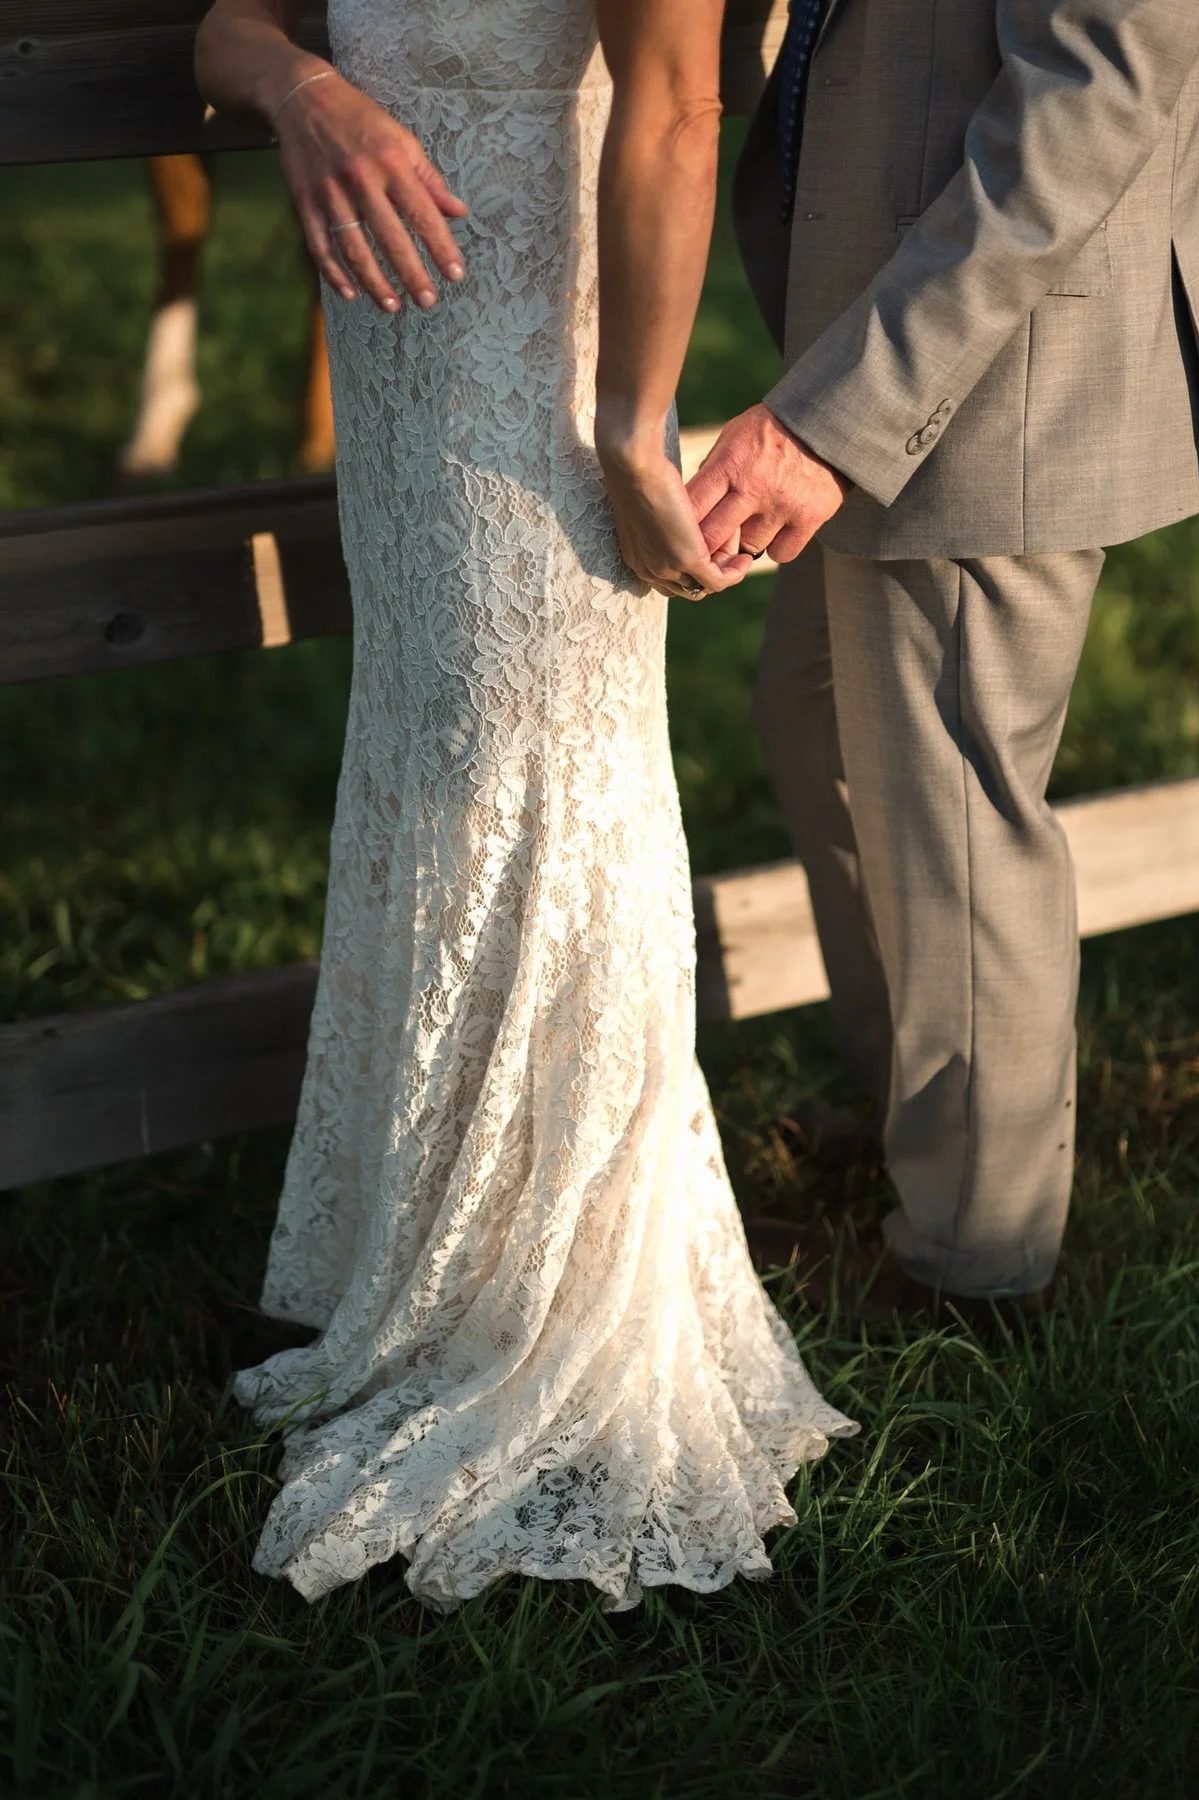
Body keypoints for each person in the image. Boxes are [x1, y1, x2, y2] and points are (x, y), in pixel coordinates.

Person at [195, 0, 855, 1612]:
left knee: (539, 774)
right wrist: (306, 92)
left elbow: (679, 101)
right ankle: (435, 1264)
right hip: (402, 377)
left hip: (548, 377)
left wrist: (635, 420)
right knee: (434, 767)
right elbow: (224, 23)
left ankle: (555, 1302)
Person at [690, 0, 1199, 1319]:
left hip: (991, 357)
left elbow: (1096, 91)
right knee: (821, 718)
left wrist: (845, 414)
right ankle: (928, 1127)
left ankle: (975, 1267)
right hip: (895, 307)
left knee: (949, 803)